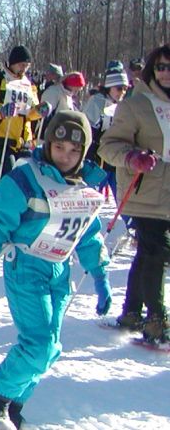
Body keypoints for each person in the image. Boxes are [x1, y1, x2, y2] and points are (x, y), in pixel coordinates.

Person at [0, 111, 111, 429]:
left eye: (74, 151)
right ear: (48, 144)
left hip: (59, 269)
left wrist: (100, 274)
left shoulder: (83, 186)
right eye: (59, 147)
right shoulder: (26, 179)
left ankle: (13, 401)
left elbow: (88, 233)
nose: (65, 156)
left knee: (51, 349)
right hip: (25, 266)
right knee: (39, 343)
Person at [98, 43, 170, 343]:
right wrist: (133, 156)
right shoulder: (137, 104)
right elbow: (108, 146)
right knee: (158, 250)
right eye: (161, 67)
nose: (165, 74)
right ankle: (157, 318)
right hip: (143, 191)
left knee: (148, 253)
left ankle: (131, 311)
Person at [0, 46, 47, 182]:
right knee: (7, 176)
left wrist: (39, 111)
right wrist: (0, 111)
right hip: (0, 137)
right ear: (13, 63)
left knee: (26, 179)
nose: (24, 69)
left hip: (22, 140)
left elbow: (29, 112)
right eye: (21, 65)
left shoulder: (29, 85)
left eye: (27, 66)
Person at [83, 62, 129, 193]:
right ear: (109, 87)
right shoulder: (98, 101)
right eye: (119, 88)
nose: (123, 92)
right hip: (98, 160)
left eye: (125, 89)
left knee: (123, 198)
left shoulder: (122, 105)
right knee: (93, 195)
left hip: (116, 159)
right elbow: (87, 129)